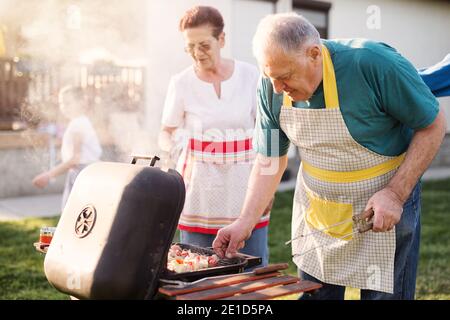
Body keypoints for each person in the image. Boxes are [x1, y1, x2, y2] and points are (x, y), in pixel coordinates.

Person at [213, 13, 446, 299]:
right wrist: (245, 221)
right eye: (270, 77)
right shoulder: (271, 86)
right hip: (320, 214)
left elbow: (432, 125)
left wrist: (396, 195)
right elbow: (269, 159)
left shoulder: (373, 63)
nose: (276, 88)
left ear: (314, 54)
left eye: (284, 77)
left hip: (384, 205)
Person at [159, 6, 270, 266]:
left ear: (221, 39)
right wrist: (171, 153)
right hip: (199, 196)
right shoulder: (181, 83)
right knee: (197, 269)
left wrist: (269, 189)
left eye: (205, 45)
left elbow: (271, 131)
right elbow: (166, 132)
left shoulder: (250, 75)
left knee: (250, 271)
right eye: (190, 46)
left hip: (246, 192)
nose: (197, 53)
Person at [32, 86, 102, 212]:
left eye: (68, 103)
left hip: (81, 174)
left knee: (72, 214)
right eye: (62, 103)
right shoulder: (81, 121)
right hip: (83, 173)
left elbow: (75, 159)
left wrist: (48, 175)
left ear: (81, 102)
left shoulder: (78, 124)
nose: (64, 107)